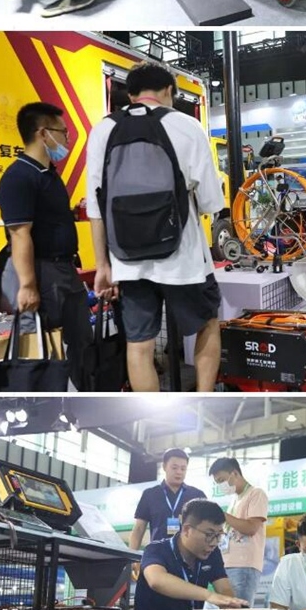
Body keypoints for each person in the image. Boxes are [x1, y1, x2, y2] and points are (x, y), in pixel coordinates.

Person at [86, 63, 225, 393]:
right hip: (185, 260)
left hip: (127, 260)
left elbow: (96, 206)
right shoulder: (187, 126)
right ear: (168, 91)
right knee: (207, 325)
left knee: (139, 345)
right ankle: (203, 400)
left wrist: (102, 265)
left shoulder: (103, 130)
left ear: (131, 94)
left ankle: (153, 412)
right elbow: (210, 202)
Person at [0, 100, 92, 389]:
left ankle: (86, 395)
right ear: (43, 133)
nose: (67, 140)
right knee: (41, 348)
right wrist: (27, 285)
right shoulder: (19, 177)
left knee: (81, 342)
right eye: (63, 132)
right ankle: (44, 401)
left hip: (64, 270)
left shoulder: (48, 174)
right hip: (41, 272)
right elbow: (19, 235)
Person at [133, 499, 247, 610]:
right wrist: (209, 595)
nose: (214, 542)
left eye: (219, 535)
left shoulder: (212, 554)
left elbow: (224, 589)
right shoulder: (156, 549)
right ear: (187, 529)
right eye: (209, 534)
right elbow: (156, 580)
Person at [209, 456, 269, 606]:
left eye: (222, 480)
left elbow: (251, 528)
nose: (221, 485)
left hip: (244, 564)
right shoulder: (235, 500)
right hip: (227, 563)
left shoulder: (256, 494)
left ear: (234, 473)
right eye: (217, 483)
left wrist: (222, 515)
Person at [130, 448, 205, 549]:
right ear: (164, 467)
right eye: (174, 468)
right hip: (158, 553)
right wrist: (131, 555)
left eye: (183, 469)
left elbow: (206, 527)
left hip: (189, 553)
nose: (179, 472)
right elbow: (139, 529)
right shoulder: (150, 494)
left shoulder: (197, 495)